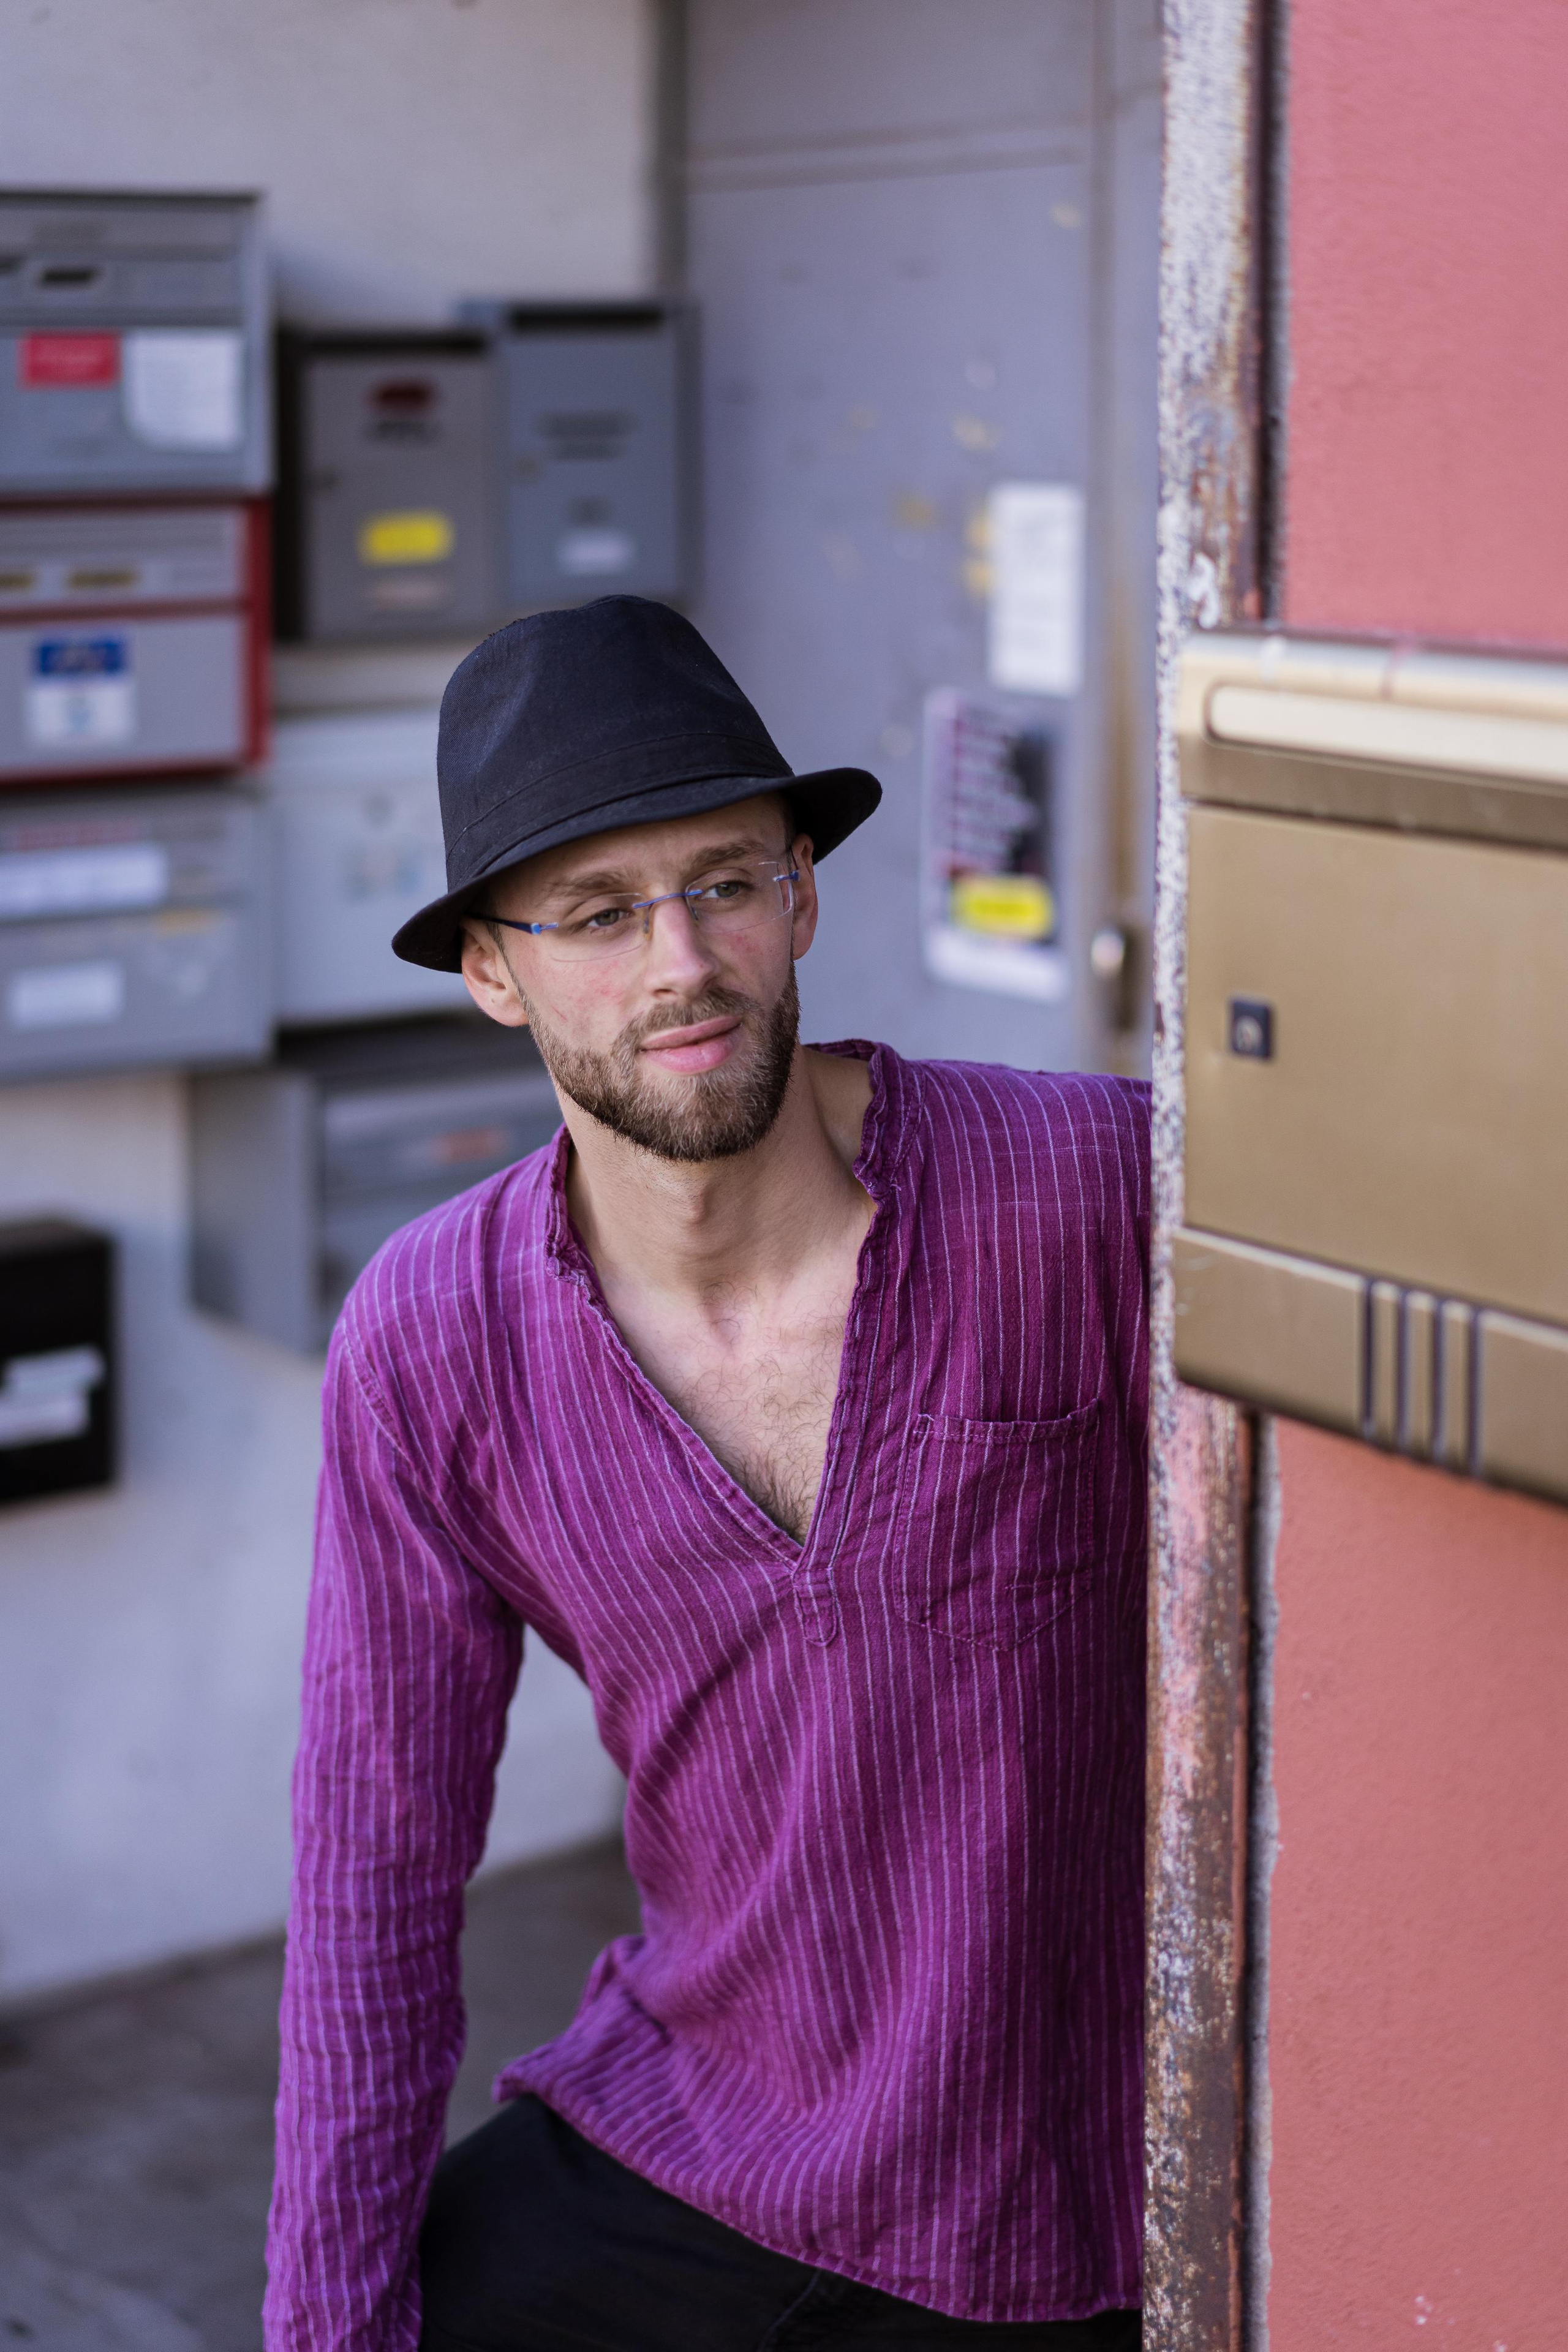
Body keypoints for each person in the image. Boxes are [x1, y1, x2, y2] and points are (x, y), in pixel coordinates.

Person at [263, 598, 1150, 2352]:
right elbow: (377, 1867)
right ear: (492, 972)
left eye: (727, 883)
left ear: (802, 894)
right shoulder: (433, 1341)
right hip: (702, 2142)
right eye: (596, 914)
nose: (683, 962)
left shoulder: (1097, 1195)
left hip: (1086, 2184)